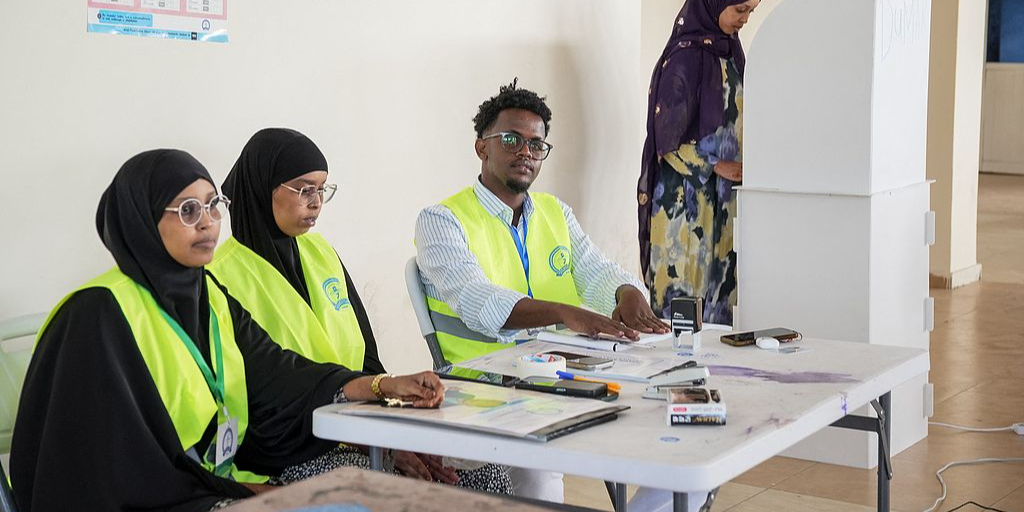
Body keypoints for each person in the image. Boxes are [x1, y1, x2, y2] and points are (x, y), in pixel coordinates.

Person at [11, 149, 446, 512]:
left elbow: (278, 374)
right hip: (149, 500)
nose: (207, 222)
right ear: (141, 218)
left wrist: (380, 384)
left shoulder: (207, 294)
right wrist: (251, 497)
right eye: (187, 210)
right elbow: (112, 469)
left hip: (211, 484)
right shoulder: (97, 314)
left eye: (212, 205)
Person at [206, 127, 512, 493]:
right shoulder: (220, 277)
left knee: (482, 470)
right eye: (304, 189)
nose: (316, 202)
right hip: (286, 447)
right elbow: (259, 397)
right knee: (395, 490)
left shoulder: (320, 253)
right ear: (263, 187)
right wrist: (369, 441)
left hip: (357, 421)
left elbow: (367, 359)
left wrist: (393, 429)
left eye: (322, 189)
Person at [414, 79, 668, 502]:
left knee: (680, 429)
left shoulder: (555, 212)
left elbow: (595, 268)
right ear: (482, 147)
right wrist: (564, 313)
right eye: (511, 139)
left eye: (536, 144)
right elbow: (477, 300)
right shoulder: (441, 220)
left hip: (562, 373)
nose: (525, 153)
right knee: (539, 486)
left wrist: (626, 290)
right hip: (487, 384)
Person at [637, 0, 761, 327]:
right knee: (684, 300)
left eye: (751, 12)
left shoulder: (732, 53)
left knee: (721, 297)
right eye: (740, 9)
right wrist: (714, 165)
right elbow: (666, 140)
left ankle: (717, 382)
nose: (745, 20)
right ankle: (673, 383)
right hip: (684, 203)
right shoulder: (684, 59)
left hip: (724, 200)